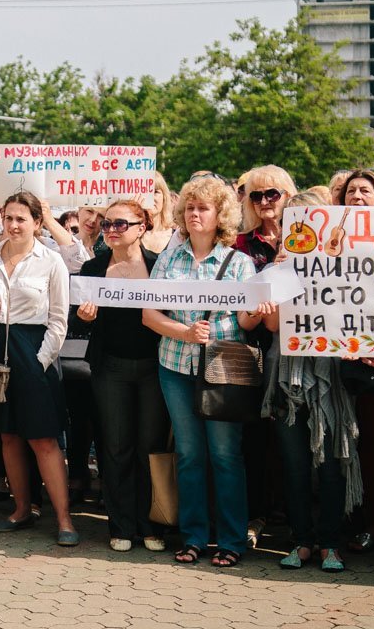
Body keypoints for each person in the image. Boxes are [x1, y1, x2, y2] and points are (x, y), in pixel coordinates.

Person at [142, 174, 271, 568]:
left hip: (223, 368)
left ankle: (232, 540)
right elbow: (149, 316)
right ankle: (194, 536)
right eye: (191, 208)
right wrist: (184, 331)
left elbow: (247, 324)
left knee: (226, 454)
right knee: (189, 454)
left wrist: (256, 311)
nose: (196, 214)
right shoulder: (169, 257)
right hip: (175, 366)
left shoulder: (240, 262)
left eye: (204, 208)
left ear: (221, 215)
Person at [0, 191, 76, 546]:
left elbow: (60, 320)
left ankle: (64, 520)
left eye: (21, 219)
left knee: (44, 438)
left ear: (37, 223)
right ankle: (20, 509)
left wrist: (39, 361)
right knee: (8, 436)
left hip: (34, 350)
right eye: (9, 218)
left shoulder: (51, 260)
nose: (13, 225)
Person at [261, 190, 360, 573]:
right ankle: (302, 540)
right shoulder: (277, 269)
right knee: (295, 464)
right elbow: (271, 324)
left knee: (333, 462)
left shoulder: (351, 269)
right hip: (288, 379)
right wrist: (280, 272)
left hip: (331, 379)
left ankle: (330, 543)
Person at [71, 198, 169, 552]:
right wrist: (83, 316)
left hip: (153, 368)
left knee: (149, 447)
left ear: (142, 228)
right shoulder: (92, 267)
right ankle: (121, 525)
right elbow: (74, 321)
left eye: (119, 224)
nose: (110, 230)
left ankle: (151, 525)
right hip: (110, 367)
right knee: (115, 447)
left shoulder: (160, 267)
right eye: (107, 223)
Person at [232, 165, 297, 547]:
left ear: (288, 195)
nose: (265, 202)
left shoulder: (310, 236)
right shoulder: (241, 245)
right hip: (254, 347)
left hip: (305, 348)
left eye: (273, 193)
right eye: (256, 195)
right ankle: (256, 513)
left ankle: (295, 514)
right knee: (255, 436)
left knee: (295, 438)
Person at [141, 172, 176, 255]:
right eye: (144, 191)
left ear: (164, 197)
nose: (149, 197)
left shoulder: (178, 237)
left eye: (155, 192)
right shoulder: (129, 235)